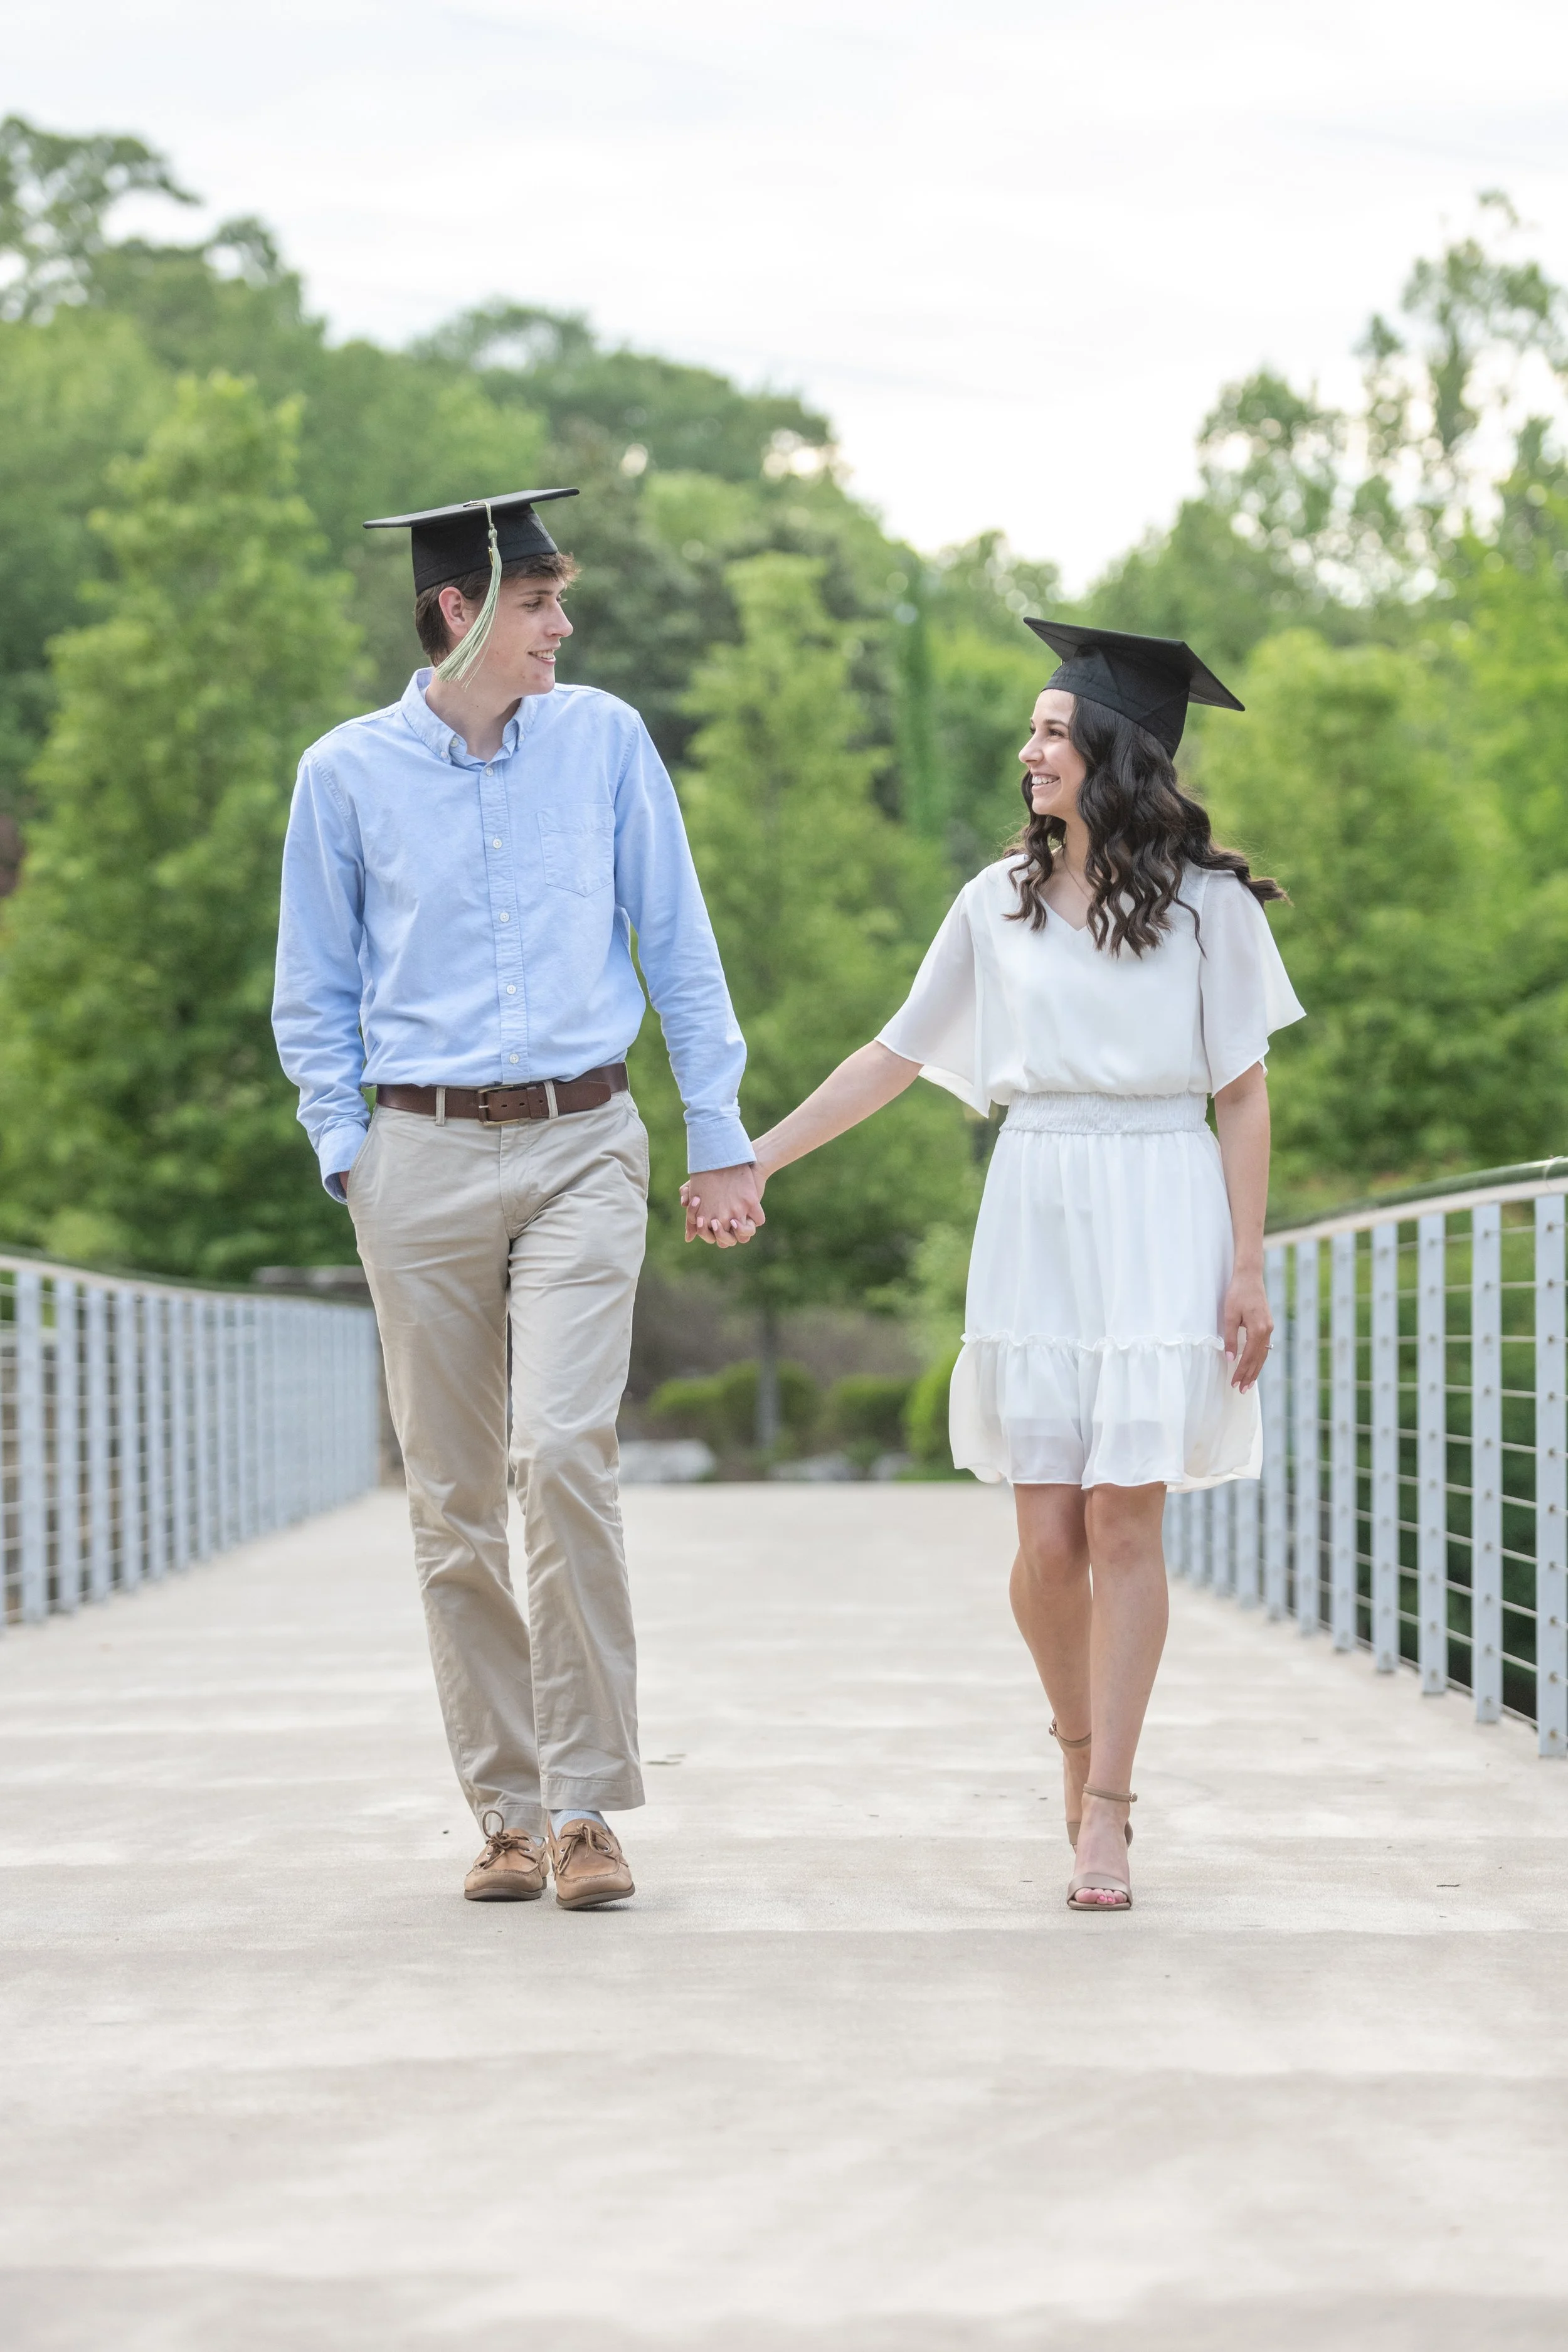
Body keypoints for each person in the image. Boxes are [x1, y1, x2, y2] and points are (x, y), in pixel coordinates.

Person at [689, 621, 1303, 1911]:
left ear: (1110, 752)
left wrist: (1244, 1267)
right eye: (1028, 729)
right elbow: (892, 1058)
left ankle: (1108, 1815)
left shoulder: (1211, 911)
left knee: (1121, 1515)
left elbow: (1240, 1095)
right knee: (1043, 1537)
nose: (1027, 750)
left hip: (1157, 1193)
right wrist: (755, 1157)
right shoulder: (992, 901)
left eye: (1049, 730)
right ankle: (1072, 1746)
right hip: (1038, 1198)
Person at [273, 487, 763, 1909]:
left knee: (561, 1455)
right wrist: (345, 1150)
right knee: (451, 1498)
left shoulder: (604, 741)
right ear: (459, 610)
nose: (564, 626)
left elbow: (679, 944)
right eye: (541, 602)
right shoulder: (343, 776)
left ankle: (587, 1805)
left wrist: (716, 1131)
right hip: (415, 1158)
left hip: (581, 1141)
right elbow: (312, 990)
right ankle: (502, 1810)